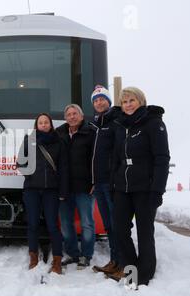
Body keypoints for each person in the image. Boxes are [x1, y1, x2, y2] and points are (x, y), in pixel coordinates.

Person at [107, 87, 170, 287]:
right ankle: (131, 267)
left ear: (141, 101)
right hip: (122, 188)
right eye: (124, 102)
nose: (127, 105)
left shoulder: (153, 123)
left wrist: (157, 190)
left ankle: (144, 274)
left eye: (131, 100)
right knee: (119, 229)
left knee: (144, 231)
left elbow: (162, 158)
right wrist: (113, 184)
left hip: (145, 187)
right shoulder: (119, 125)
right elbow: (116, 158)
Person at [17, 113, 69, 274]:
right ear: (36, 125)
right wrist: (30, 176)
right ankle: (33, 256)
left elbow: (64, 169)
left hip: (51, 191)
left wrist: (62, 191)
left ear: (51, 125)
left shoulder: (59, 141)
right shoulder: (28, 141)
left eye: (46, 122)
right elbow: (20, 162)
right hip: (32, 190)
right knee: (32, 224)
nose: (44, 124)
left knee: (53, 225)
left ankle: (57, 259)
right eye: (41, 122)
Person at [56, 104, 95, 270]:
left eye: (75, 114)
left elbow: (96, 159)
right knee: (65, 223)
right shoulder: (59, 134)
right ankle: (73, 254)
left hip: (85, 187)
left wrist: (95, 181)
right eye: (69, 114)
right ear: (65, 118)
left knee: (87, 223)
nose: (72, 117)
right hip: (64, 187)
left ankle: (86, 255)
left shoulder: (90, 132)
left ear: (81, 115)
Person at [88, 86, 122, 275]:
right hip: (98, 183)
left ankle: (123, 263)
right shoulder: (96, 125)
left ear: (108, 101)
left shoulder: (115, 122)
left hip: (111, 183)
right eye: (95, 100)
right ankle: (114, 260)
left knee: (117, 224)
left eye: (102, 99)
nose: (99, 102)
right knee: (108, 224)